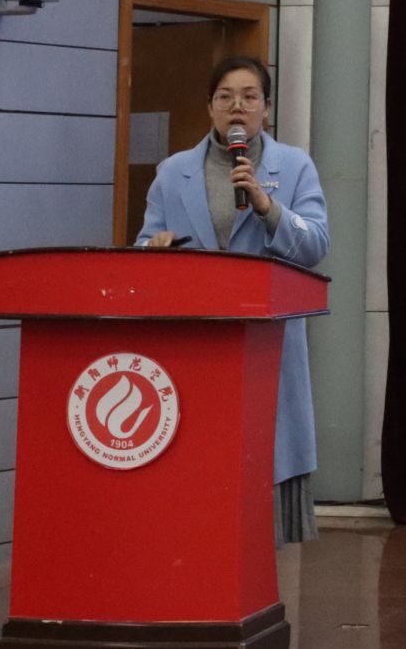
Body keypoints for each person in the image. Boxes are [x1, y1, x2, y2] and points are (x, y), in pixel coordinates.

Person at [138, 55, 329, 546]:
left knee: (263, 457)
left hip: (266, 344)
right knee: (198, 465)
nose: (236, 107)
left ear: (266, 107)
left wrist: (267, 208)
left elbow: (315, 245)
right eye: (225, 97)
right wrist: (155, 250)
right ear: (210, 108)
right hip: (197, 345)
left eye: (249, 97)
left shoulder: (294, 167)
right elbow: (143, 246)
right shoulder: (173, 172)